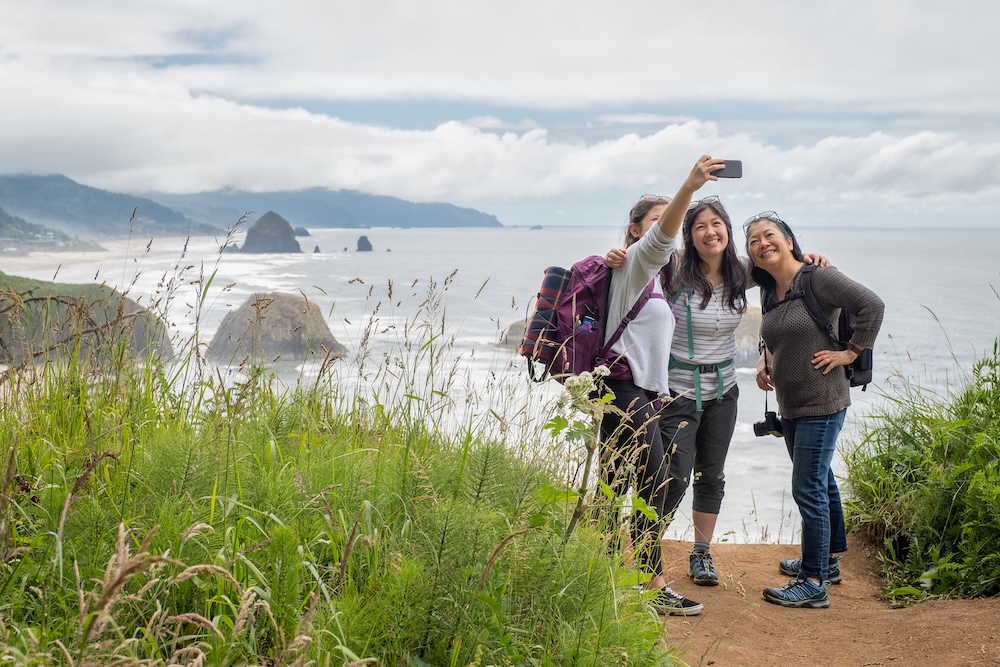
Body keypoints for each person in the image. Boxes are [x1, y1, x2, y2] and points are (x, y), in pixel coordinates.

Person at [605, 200, 829, 597]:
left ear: (727, 230)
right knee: (671, 477)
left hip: (724, 389)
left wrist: (806, 258)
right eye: (700, 227)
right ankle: (646, 551)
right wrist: (619, 255)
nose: (711, 232)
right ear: (689, 236)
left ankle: (702, 553)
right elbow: (640, 261)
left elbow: (783, 270)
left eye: (717, 224)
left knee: (712, 475)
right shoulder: (673, 271)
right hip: (676, 390)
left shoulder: (742, 271)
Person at [598, 155, 723, 617]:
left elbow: (717, 260)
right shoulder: (636, 262)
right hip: (621, 389)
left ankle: (603, 577)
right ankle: (651, 583)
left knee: (614, 483)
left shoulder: (654, 277)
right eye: (655, 221)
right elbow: (664, 236)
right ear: (636, 231)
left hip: (632, 391)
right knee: (657, 476)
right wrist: (689, 188)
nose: (667, 230)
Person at [746, 211, 884, 609]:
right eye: (754, 241)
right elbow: (771, 333)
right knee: (820, 481)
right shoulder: (769, 291)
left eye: (769, 235)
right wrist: (762, 359)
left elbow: (872, 305)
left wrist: (849, 353)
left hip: (822, 402)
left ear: (789, 240)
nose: (762, 243)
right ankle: (826, 561)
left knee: (806, 486)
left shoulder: (818, 277)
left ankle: (813, 582)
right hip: (792, 403)